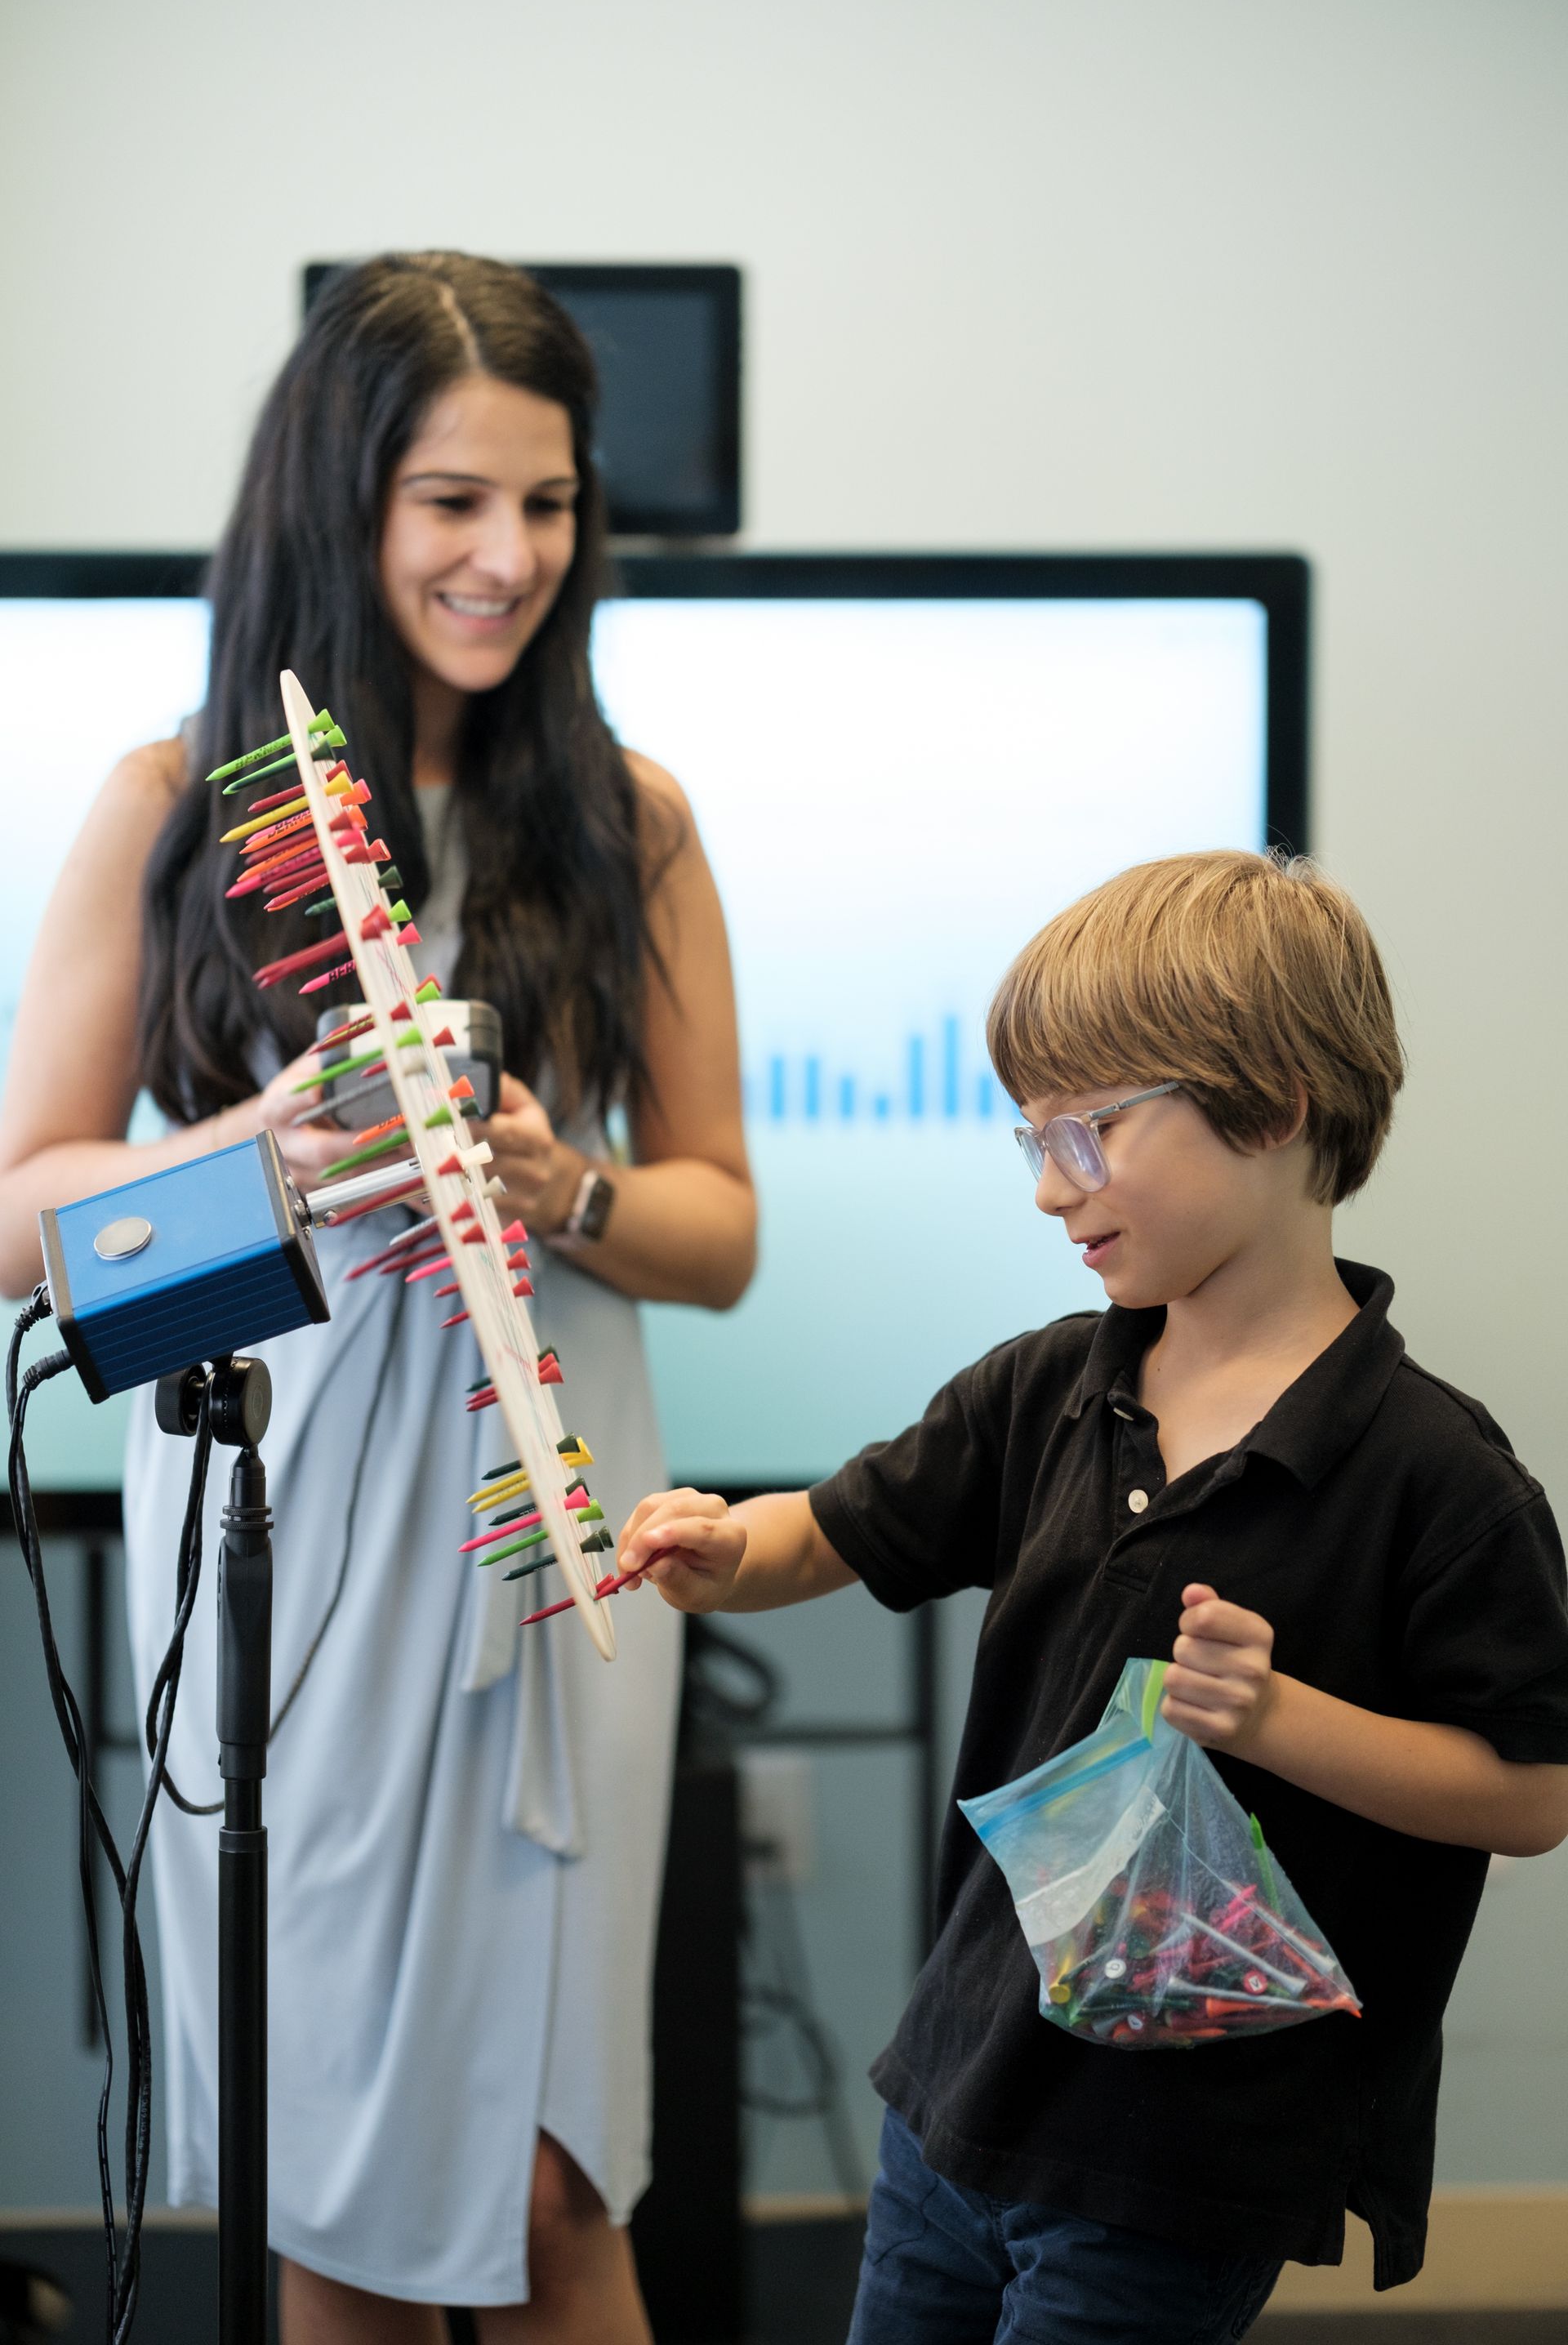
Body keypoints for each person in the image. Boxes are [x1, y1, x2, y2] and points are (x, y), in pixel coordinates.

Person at [0, 252, 756, 2343]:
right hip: (287, 1552)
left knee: (548, 2181)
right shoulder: (172, 806)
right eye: (452, 502)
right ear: (339, 498)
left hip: (551, 1533)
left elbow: (720, 1227)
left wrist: (561, 1180)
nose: (509, 558)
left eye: (550, 502)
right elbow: (22, 1214)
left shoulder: (635, 822)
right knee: (334, 2171)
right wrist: (279, 1147)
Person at [618, 849, 1568, 2345]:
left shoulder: (1436, 1476)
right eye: (1030, 1139)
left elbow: (1530, 1793)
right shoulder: (1050, 1387)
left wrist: (1280, 1718)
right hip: (956, 2097)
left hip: (1180, 2167)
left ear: (1270, 1103)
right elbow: (845, 1527)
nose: (1053, 1186)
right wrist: (737, 1552)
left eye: (1092, 1131)